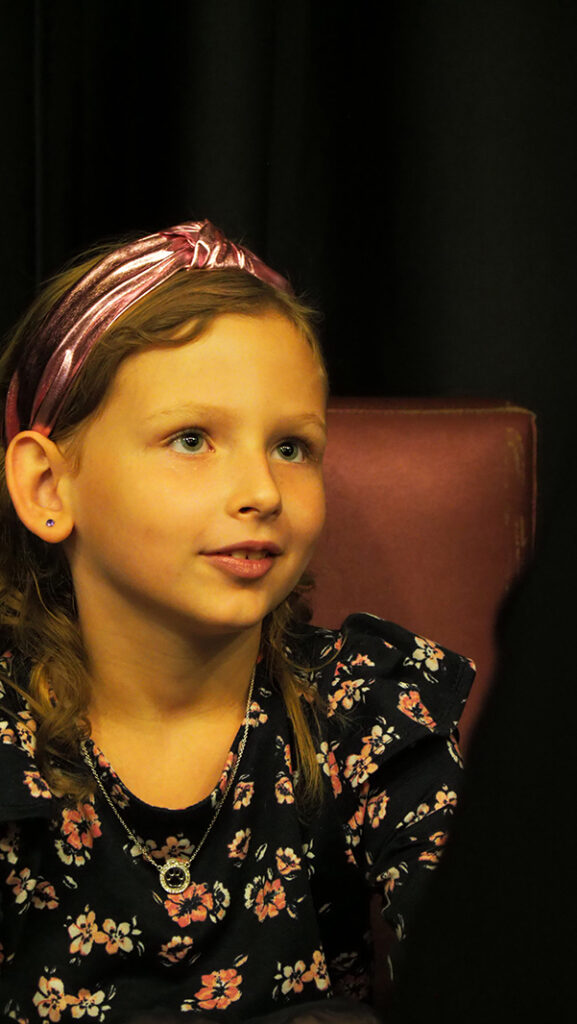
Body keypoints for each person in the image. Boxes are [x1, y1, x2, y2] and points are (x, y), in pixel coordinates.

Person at [0, 221, 474, 1023]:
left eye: (292, 447)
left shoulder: (368, 707)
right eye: (192, 439)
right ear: (50, 487)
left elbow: (494, 953)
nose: (260, 487)